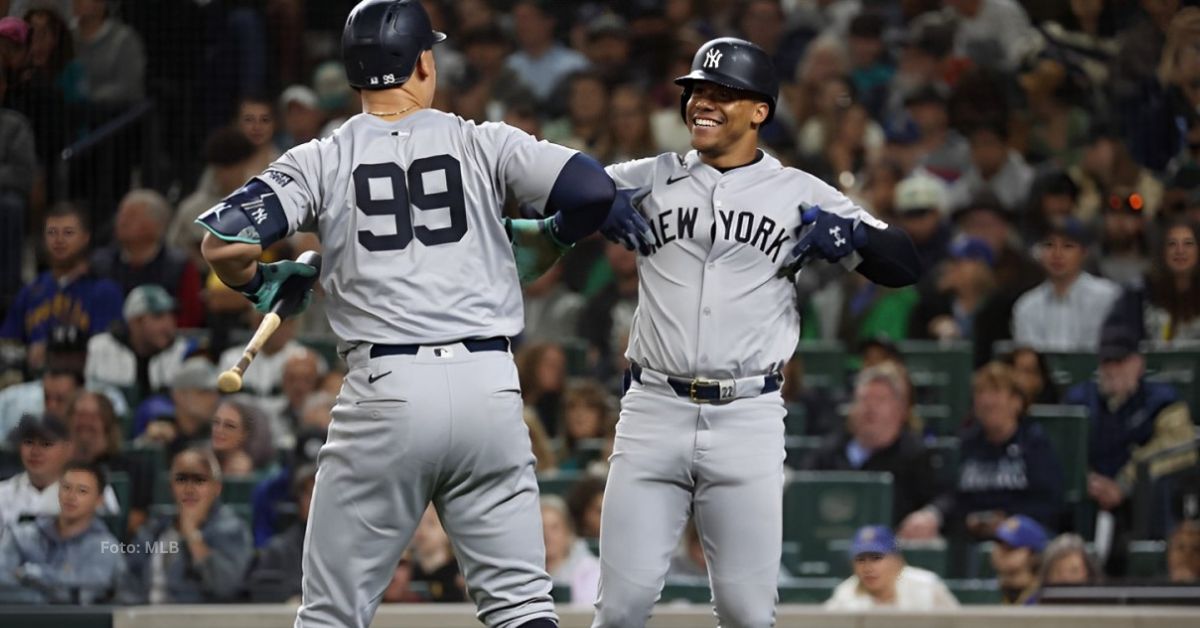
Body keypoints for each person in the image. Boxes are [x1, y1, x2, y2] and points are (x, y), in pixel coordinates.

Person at [194, 1, 614, 625]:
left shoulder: (322, 157)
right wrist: (548, 235)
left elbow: (223, 244)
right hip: (488, 387)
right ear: (423, 61)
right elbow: (594, 191)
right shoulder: (480, 140)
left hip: (386, 392)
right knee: (521, 607)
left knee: (333, 614)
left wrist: (260, 281)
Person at [593, 37, 921, 627]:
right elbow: (549, 185)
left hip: (747, 415)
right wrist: (587, 203)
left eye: (723, 94)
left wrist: (859, 240)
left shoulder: (800, 193)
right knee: (620, 608)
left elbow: (904, 265)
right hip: (652, 408)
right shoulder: (650, 175)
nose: (702, 103)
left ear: (759, 110)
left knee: (748, 614)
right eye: (696, 92)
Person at [1063, 326, 1196, 537]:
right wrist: (1086, 478)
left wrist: (1126, 481)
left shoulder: (1163, 399)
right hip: (1091, 494)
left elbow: (1180, 446)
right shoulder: (1079, 399)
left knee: (1159, 487)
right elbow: (1063, 446)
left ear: (1138, 363)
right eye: (1107, 362)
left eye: (1120, 361)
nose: (1113, 369)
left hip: (1142, 497)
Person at [805, 363, 949, 535]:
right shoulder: (829, 451)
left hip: (892, 550)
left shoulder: (916, 455)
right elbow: (804, 490)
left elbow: (944, 498)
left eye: (880, 400)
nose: (870, 407)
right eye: (864, 399)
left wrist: (930, 515)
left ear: (900, 409)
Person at [946, 362, 1065, 537]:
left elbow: (1050, 504)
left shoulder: (1034, 443)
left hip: (1023, 538)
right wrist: (969, 520)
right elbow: (953, 500)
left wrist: (1009, 520)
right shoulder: (966, 444)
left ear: (1016, 402)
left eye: (995, 391)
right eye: (980, 392)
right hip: (971, 541)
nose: (987, 401)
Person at [0, 204, 124, 371]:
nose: (59, 240)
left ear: (85, 237)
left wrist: (53, 352)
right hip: (32, 384)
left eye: (68, 233)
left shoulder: (103, 290)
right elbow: (8, 344)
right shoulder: (31, 291)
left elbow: (108, 352)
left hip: (85, 385)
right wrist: (27, 354)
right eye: (52, 233)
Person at [124, 448, 252, 603]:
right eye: (181, 479)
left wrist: (192, 534)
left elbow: (225, 586)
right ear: (171, 486)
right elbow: (128, 583)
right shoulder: (154, 530)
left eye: (199, 480)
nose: (189, 489)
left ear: (216, 488)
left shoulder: (231, 530)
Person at [0, 462, 125, 603]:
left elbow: (85, 593)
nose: (71, 497)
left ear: (99, 500)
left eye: (82, 491)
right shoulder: (21, 536)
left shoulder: (105, 547)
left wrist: (30, 574)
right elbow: (3, 582)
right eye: (66, 488)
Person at [90, 190, 204, 328]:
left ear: (156, 226)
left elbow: (190, 317)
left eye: (131, 216)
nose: (121, 220)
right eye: (121, 213)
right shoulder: (100, 264)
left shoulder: (180, 266)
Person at [1012, 217, 1121, 352]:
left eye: (1067, 246)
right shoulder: (1026, 306)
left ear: (1084, 252)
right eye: (1049, 245)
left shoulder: (1108, 297)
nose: (1057, 254)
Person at [84, 285, 193, 406]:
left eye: (171, 315)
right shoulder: (101, 347)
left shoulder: (184, 351)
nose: (168, 324)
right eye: (158, 316)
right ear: (135, 322)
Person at [1106, 219, 1200, 342]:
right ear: (1162, 251)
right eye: (1172, 244)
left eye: (1188, 243)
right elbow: (1117, 338)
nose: (1180, 251)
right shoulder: (1139, 293)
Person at [824, 525, 959, 610]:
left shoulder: (926, 586)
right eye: (860, 559)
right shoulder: (845, 594)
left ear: (896, 561)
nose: (867, 568)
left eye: (876, 558)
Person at [245, 464, 316, 602]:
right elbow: (257, 590)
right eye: (309, 494)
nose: (315, 501)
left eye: (321, 494)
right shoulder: (277, 550)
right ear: (298, 501)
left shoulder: (349, 549)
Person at [0, 414, 74, 530]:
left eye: (46, 444)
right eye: (28, 442)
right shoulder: (3, 494)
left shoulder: (92, 492)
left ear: (68, 449)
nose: (35, 452)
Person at [541, 495, 600, 605]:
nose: (547, 535)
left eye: (554, 527)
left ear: (568, 532)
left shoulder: (590, 570)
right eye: (541, 527)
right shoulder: (524, 573)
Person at [990, 514, 1048, 605]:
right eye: (999, 544)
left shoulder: (1044, 600)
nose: (1000, 552)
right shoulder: (993, 595)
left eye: (1010, 547)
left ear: (1033, 555)